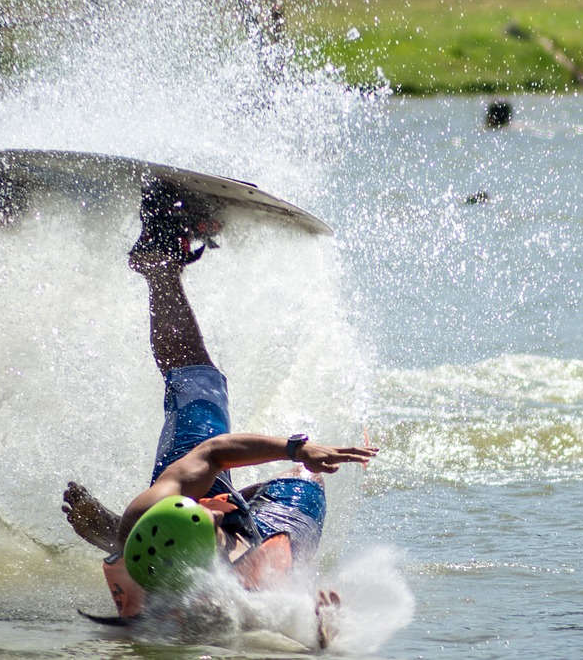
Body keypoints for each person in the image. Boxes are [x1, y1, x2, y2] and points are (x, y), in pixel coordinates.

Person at [62, 185, 376, 638]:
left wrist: (296, 447)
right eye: (207, 514)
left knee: (202, 389)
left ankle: (158, 264)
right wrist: (322, 632)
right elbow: (294, 629)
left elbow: (214, 453)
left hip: (153, 537)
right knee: (308, 484)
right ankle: (297, 481)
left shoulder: (143, 521)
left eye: (198, 504)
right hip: (273, 526)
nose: (211, 502)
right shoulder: (254, 582)